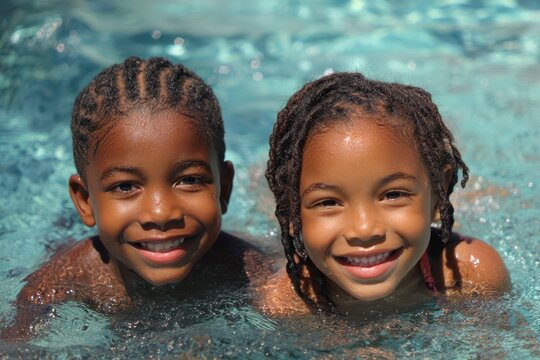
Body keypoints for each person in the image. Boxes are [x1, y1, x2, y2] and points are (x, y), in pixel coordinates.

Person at [4, 56, 256, 339]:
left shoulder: (250, 271)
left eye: (189, 180)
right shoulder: (60, 284)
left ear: (224, 189)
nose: (161, 214)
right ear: (85, 201)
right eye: (125, 187)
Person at [260, 72, 510, 315]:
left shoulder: (467, 276)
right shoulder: (289, 304)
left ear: (439, 195)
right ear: (290, 212)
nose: (365, 229)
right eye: (328, 202)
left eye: (393, 195)